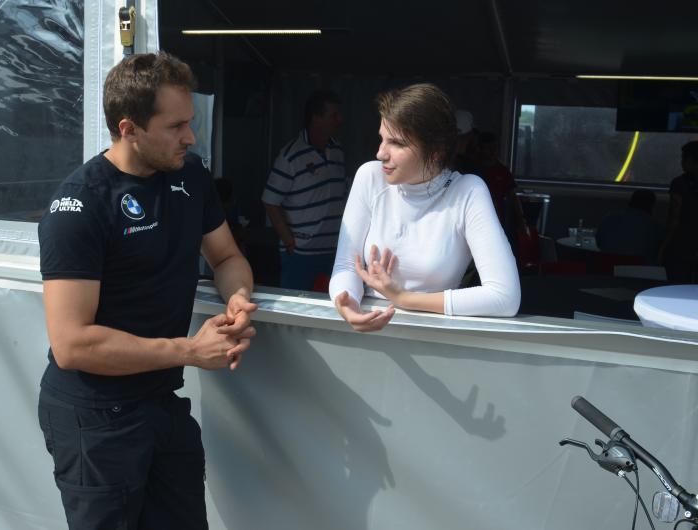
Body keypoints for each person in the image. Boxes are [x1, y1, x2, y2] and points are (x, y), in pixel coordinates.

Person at [36, 51, 257, 530]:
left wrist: (238, 297)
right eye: (176, 126)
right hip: (95, 417)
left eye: (190, 122)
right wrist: (191, 351)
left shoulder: (190, 176)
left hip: (161, 402)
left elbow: (226, 257)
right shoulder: (80, 206)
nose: (190, 137)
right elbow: (72, 344)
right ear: (129, 128)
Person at [329, 83, 520, 332]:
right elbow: (346, 266)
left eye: (396, 143)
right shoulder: (370, 177)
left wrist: (404, 298)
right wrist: (347, 303)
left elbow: (505, 297)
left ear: (436, 151)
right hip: (369, 331)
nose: (380, 153)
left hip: (432, 338)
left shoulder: (467, 191)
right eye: (382, 139)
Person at [262, 90, 347, 290]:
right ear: (316, 118)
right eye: (333, 115)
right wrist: (288, 240)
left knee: (332, 305)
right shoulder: (290, 156)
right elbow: (270, 200)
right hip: (301, 253)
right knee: (294, 306)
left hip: (333, 250)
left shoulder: (337, 150)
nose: (339, 120)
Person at [659, 140, 698, 282]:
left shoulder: (679, 184)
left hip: (682, 244)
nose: (681, 162)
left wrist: (663, 248)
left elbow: (674, 219)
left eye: (683, 159)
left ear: (690, 160)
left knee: (677, 283)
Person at [475, 131, 528, 234]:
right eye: (488, 148)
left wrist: (521, 220)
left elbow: (513, 196)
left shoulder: (503, 171)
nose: (492, 151)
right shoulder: (473, 170)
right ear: (480, 149)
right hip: (477, 216)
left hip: (497, 219)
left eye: (495, 148)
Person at [596, 189, 660, 264]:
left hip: (606, 266)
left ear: (631, 201)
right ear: (651, 206)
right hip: (638, 268)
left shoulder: (610, 218)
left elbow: (599, 242)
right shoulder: (654, 226)